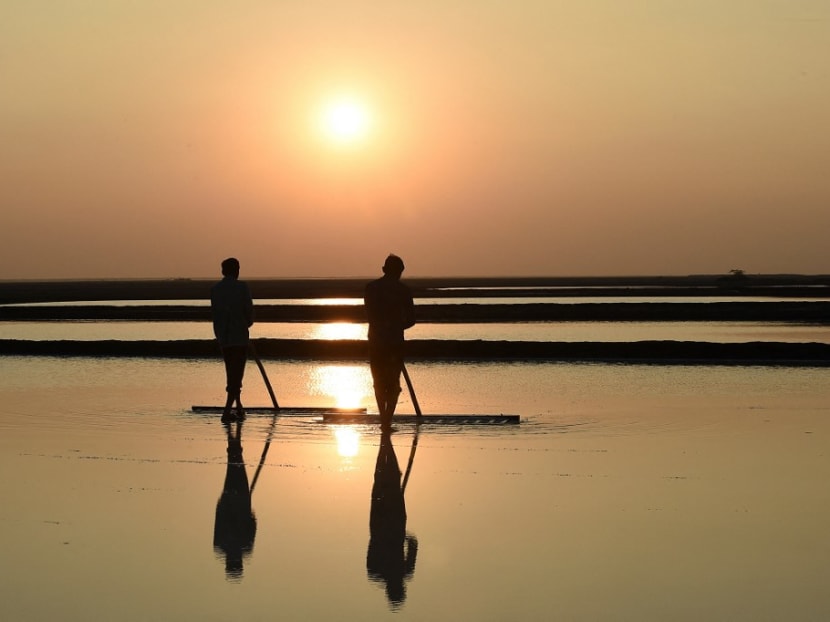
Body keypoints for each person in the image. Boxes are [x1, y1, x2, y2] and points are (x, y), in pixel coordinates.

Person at [364, 254, 416, 429]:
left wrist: (387, 326)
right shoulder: (402, 290)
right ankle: (387, 420)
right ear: (399, 271)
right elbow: (411, 319)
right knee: (392, 382)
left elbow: (370, 316)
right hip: (392, 342)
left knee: (379, 381)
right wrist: (395, 326)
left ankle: (384, 420)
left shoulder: (371, 288)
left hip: (378, 341)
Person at [211, 257, 254, 422]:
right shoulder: (242, 288)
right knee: (236, 375)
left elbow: (215, 315)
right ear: (237, 271)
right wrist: (245, 325)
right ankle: (227, 412)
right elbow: (249, 314)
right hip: (239, 338)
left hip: (224, 338)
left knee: (232, 372)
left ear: (223, 271)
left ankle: (239, 408)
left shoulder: (215, 289)